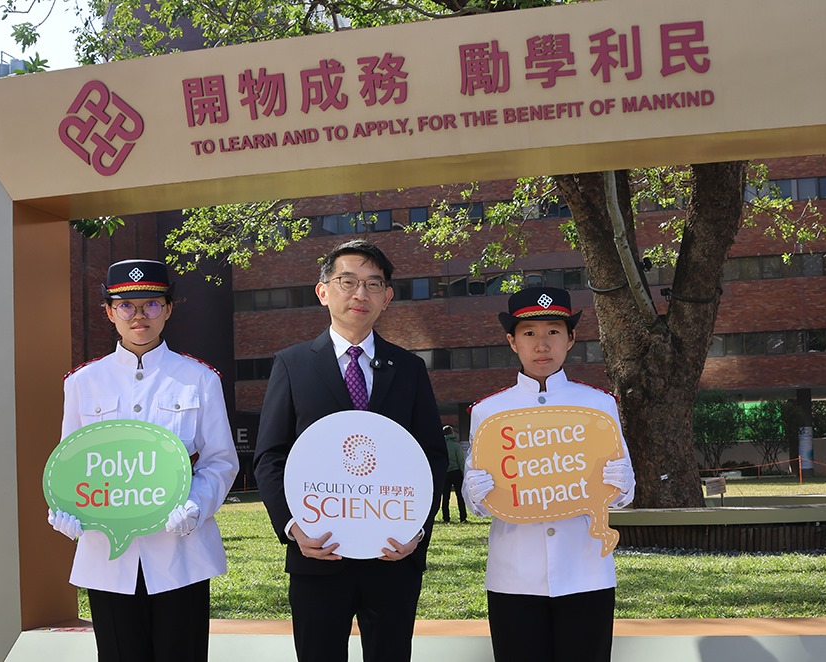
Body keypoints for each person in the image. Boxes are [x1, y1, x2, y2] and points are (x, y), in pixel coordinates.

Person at [253, 239, 448, 662]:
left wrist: (417, 529)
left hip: (392, 555)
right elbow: (271, 456)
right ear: (323, 291)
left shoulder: (410, 369)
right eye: (347, 281)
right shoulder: (292, 363)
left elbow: (432, 456)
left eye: (373, 284)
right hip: (318, 554)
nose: (360, 293)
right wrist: (292, 528)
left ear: (387, 298)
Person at [47, 258, 239, 662]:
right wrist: (66, 507)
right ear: (109, 312)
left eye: (151, 304)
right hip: (108, 557)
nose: (139, 315)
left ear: (168, 309)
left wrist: (196, 505)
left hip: (180, 549)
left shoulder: (199, 378)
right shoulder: (82, 382)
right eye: (126, 305)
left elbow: (221, 460)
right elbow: (70, 462)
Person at [463, 287, 635, 662]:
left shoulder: (599, 405)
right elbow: (475, 501)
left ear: (571, 338)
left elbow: (624, 490)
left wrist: (622, 484)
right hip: (514, 576)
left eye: (553, 331)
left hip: (586, 570)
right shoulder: (489, 413)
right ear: (512, 341)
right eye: (529, 333)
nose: (542, 344)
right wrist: (476, 493)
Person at [440, 425, 467, 523]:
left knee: (446, 497)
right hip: (456, 472)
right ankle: (463, 517)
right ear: (452, 433)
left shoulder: (442, 446)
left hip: (445, 473)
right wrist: (463, 473)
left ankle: (446, 518)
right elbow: (460, 461)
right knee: (460, 496)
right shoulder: (456, 445)